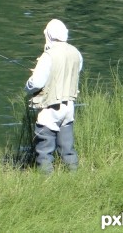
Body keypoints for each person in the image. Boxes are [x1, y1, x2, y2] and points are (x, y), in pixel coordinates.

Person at [25, 19, 83, 173]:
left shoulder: (48, 55)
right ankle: (74, 177)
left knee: (44, 151)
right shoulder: (76, 53)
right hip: (69, 107)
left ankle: (47, 184)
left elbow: (36, 83)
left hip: (50, 109)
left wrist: (28, 85)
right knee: (67, 150)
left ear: (49, 35)